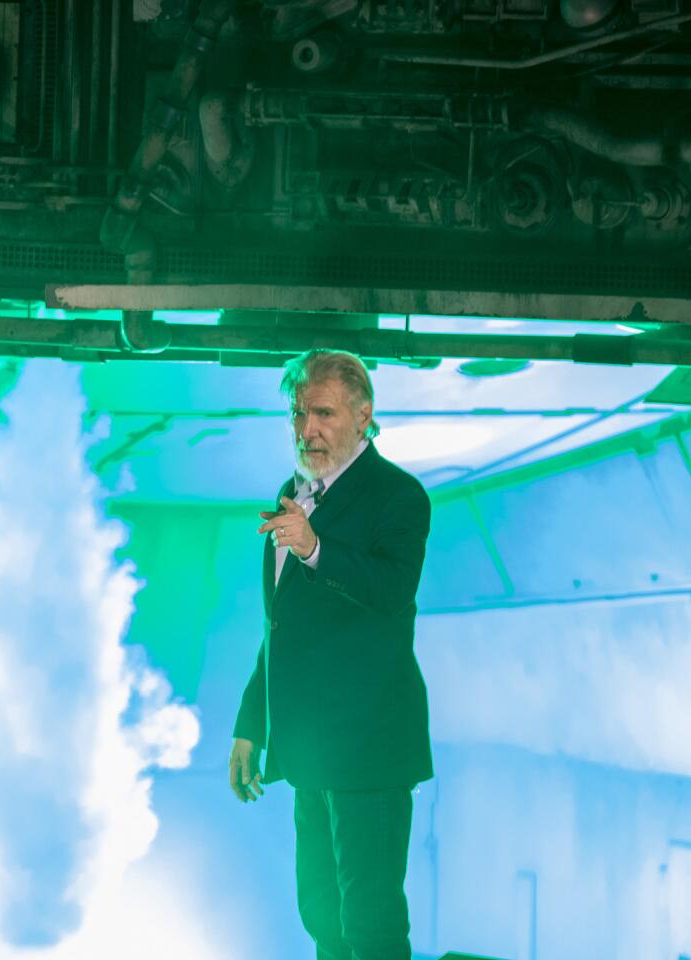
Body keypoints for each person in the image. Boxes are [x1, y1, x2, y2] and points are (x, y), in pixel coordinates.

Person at [231, 348, 433, 960]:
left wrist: (316, 547)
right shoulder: (290, 494)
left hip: (370, 753)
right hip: (312, 750)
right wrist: (250, 727)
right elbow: (282, 627)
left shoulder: (399, 495)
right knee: (321, 914)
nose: (306, 429)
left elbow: (391, 591)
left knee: (369, 924)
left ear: (364, 414)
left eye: (321, 413)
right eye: (298, 413)